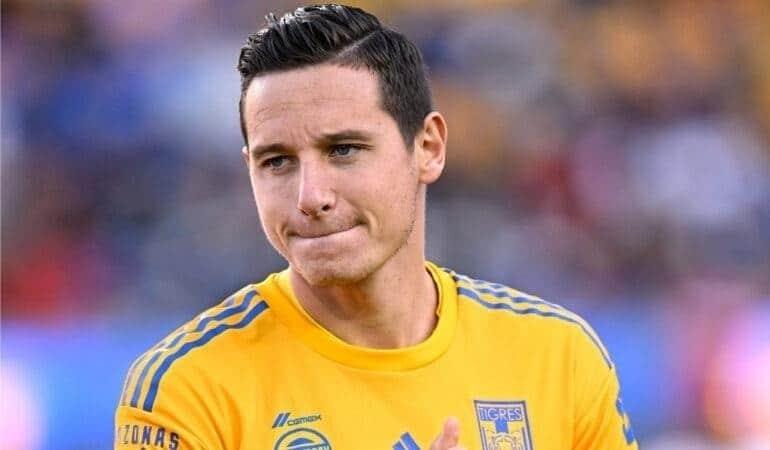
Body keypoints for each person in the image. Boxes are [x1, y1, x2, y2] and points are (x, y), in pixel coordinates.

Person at [115, 4, 637, 450]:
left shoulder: (558, 358)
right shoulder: (187, 389)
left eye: (343, 150)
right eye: (277, 161)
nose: (310, 196)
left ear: (428, 148)